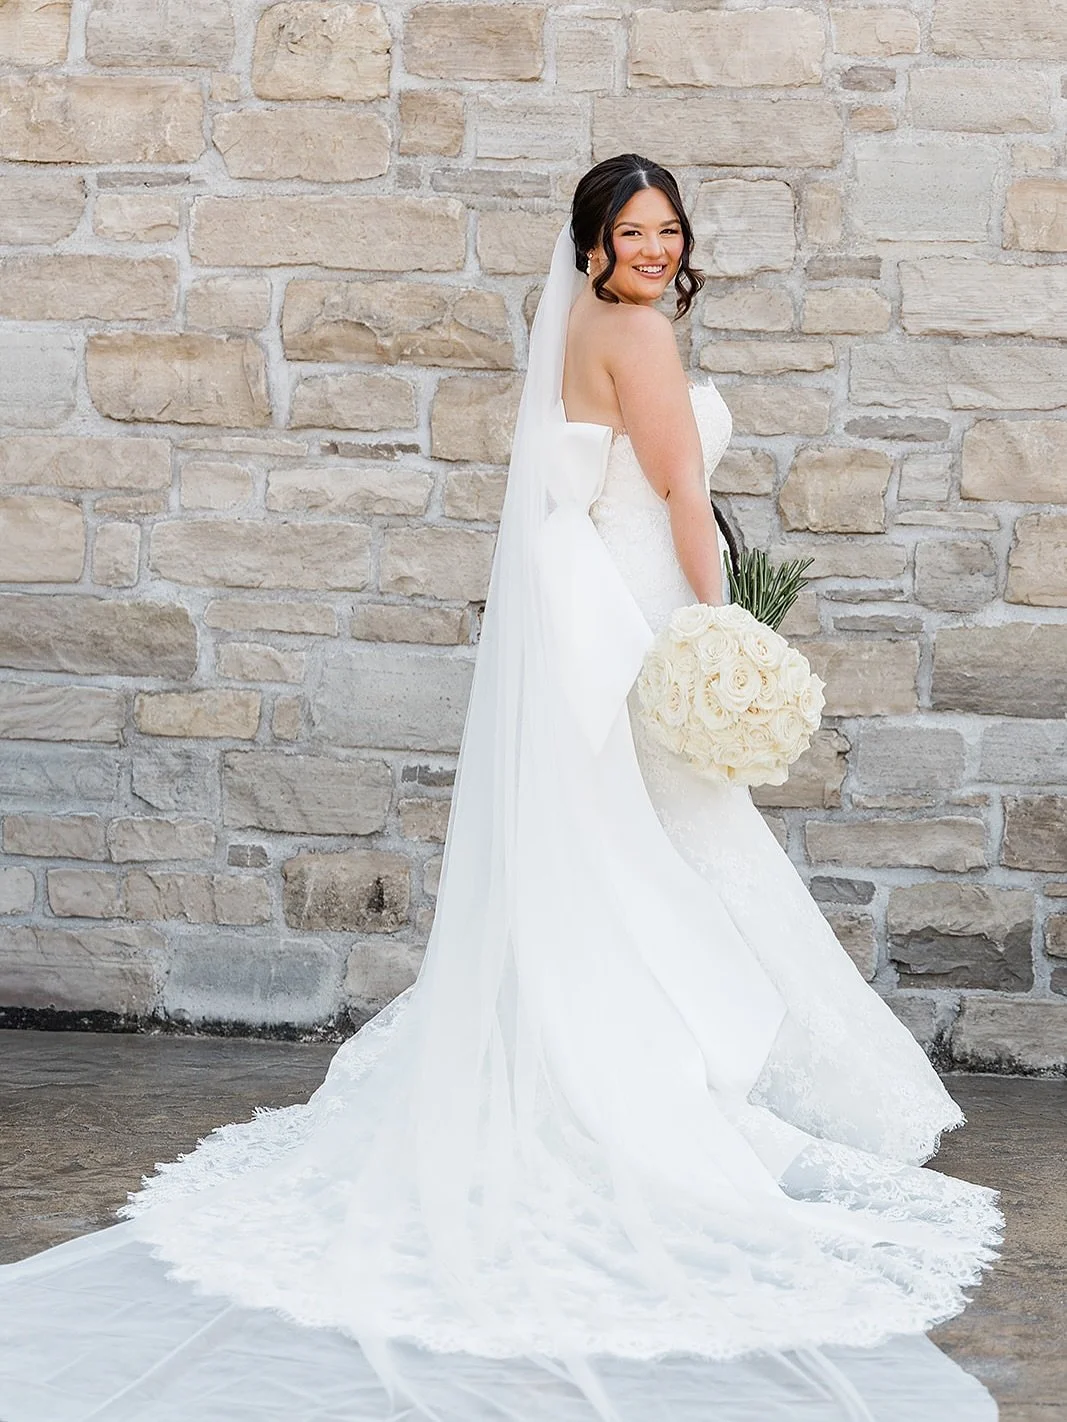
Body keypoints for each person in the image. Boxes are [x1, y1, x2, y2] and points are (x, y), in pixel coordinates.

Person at [0, 155, 1002, 1422]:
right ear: (592, 245)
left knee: (632, 858)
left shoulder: (582, 326)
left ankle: (628, 1078)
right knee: (674, 856)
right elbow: (686, 494)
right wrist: (728, 632)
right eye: (631, 230)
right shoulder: (632, 333)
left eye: (666, 226)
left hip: (598, 604)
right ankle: (665, 1105)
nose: (653, 246)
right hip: (643, 614)